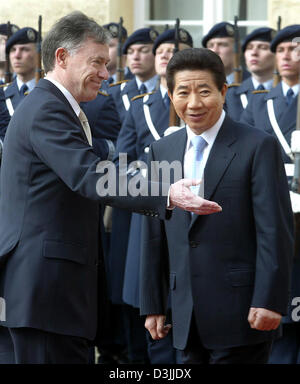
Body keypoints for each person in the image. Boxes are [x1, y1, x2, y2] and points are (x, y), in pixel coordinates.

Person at [0, 12, 220, 365]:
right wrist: (166, 193)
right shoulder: (46, 109)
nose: (106, 73)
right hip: (45, 292)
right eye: (97, 62)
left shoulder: (55, 107)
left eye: (107, 64)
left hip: (49, 293)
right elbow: (91, 175)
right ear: (62, 57)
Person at [140, 47, 294, 364]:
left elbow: (274, 230)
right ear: (170, 94)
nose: (194, 103)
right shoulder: (162, 150)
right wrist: (153, 303)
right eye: (183, 92)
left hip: (242, 313)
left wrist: (269, 300)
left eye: (205, 91)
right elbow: (154, 233)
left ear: (224, 91)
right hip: (183, 315)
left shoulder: (257, 145)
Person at [111, 27, 193, 364]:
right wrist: (153, 180)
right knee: (146, 296)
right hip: (151, 206)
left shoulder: (195, 101)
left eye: (174, 49)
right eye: (159, 49)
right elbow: (121, 162)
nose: (163, 53)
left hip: (190, 205)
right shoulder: (139, 105)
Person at [241, 24, 300, 364]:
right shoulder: (260, 103)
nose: (287, 56)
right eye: (280, 51)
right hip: (276, 207)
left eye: (294, 49)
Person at [109, 27, 159, 122]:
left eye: (143, 51)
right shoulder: (115, 93)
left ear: (157, 54)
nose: (135, 57)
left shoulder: (167, 90)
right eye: (130, 52)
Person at [226, 27, 276, 121]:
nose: (254, 52)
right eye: (249, 48)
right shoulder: (231, 94)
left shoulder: (288, 93)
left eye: (263, 47)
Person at [3, 27, 39, 116]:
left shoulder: (52, 91)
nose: (17, 55)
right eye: (13, 50)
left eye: (24, 49)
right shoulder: (3, 94)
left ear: (38, 54)